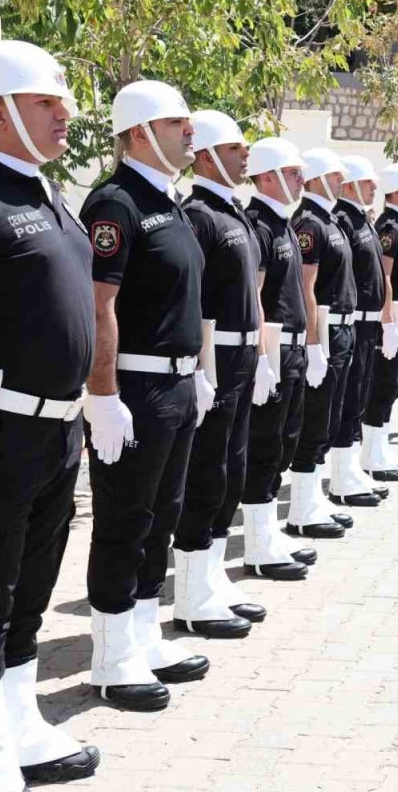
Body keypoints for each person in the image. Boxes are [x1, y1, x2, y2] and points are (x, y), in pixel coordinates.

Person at [0, 40, 100, 788]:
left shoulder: (48, 195)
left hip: (57, 429)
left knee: (30, 588)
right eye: (47, 103)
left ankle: (16, 724)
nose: (63, 115)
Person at [82, 80, 214, 711]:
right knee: (125, 521)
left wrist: (198, 372)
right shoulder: (116, 203)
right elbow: (99, 304)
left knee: (163, 515)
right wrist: (102, 395)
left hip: (178, 384)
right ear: (139, 133)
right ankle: (109, 656)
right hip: (134, 386)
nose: (190, 132)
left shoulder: (173, 201)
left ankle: (142, 635)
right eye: (176, 122)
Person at [172, 110, 270, 637]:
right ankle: (189, 597)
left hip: (242, 356)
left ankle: (210, 580)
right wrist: (204, 368)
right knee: (206, 474)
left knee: (228, 471)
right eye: (236, 148)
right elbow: (193, 299)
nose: (245, 155)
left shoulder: (234, 213)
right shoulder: (200, 215)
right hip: (216, 357)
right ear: (208, 156)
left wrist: (261, 356)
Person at [239, 137, 330, 561]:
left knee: (284, 443)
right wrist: (260, 357)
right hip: (272, 353)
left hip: (292, 351)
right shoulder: (257, 223)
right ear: (267, 176)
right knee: (265, 447)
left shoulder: (284, 224)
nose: (301, 180)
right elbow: (255, 296)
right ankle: (258, 546)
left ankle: (268, 533)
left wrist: (312, 345)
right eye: (293, 173)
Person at [290, 148, 372, 527]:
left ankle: (315, 497)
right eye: (336, 176)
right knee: (316, 420)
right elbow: (307, 287)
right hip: (324, 330)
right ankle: (301, 510)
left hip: (342, 328)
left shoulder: (329, 220)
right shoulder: (309, 223)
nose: (342, 182)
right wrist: (313, 343)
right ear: (318, 178)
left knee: (332, 416)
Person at [327, 153, 392, 503]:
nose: (375, 188)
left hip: (366, 327)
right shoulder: (343, 220)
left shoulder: (362, 219)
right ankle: (340, 477)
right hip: (350, 323)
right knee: (347, 400)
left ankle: (349, 468)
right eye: (369, 183)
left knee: (358, 400)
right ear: (350, 184)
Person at [361, 163, 398, 480]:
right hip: (394, 316)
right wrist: (388, 322)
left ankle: (380, 447)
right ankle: (371, 455)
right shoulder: (389, 229)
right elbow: (385, 276)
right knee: (382, 386)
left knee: (392, 387)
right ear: (397, 191)